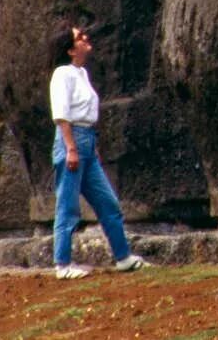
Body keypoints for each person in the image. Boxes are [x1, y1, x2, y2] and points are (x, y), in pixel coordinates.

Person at [48, 23, 151, 279]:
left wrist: (90, 148)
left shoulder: (81, 73)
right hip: (70, 141)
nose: (85, 39)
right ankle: (62, 264)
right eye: (79, 38)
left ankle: (123, 257)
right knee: (68, 206)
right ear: (71, 49)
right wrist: (71, 148)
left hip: (86, 142)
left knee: (108, 203)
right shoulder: (62, 74)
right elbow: (62, 115)